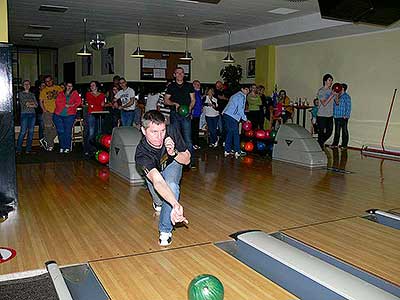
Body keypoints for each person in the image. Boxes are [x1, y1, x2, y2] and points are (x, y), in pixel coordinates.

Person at [135, 110, 190, 246]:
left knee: (171, 186)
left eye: (162, 131)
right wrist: (172, 202)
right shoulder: (142, 154)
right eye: (154, 132)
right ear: (143, 130)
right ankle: (158, 203)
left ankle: (165, 231)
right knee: (158, 191)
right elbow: (158, 181)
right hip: (154, 173)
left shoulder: (171, 131)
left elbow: (187, 160)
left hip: (172, 163)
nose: (160, 137)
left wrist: (173, 153)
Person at [164, 67, 195, 166]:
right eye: (178, 73)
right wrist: (174, 104)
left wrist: (189, 109)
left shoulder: (189, 86)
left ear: (184, 74)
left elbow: (193, 99)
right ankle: (176, 160)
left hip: (186, 114)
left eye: (181, 73)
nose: (180, 74)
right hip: (175, 114)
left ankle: (190, 161)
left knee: (188, 139)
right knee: (175, 138)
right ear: (174, 75)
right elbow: (166, 100)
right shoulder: (171, 86)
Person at [53, 82, 82, 153]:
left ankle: (67, 147)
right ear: (65, 86)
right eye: (68, 86)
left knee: (67, 132)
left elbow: (78, 101)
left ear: (72, 87)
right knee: (60, 131)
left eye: (71, 86)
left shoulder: (75, 93)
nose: (69, 87)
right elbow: (57, 102)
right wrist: (65, 105)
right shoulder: (60, 93)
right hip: (58, 115)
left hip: (70, 115)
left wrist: (72, 105)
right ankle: (62, 146)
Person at [222, 86, 249, 158]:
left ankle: (227, 150)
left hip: (226, 115)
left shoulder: (235, 95)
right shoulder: (241, 96)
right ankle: (237, 151)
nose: (247, 91)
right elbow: (240, 109)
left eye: (248, 89)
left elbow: (229, 105)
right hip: (232, 116)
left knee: (230, 133)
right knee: (236, 133)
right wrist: (245, 119)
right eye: (246, 89)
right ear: (242, 89)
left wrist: (223, 112)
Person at [39, 75, 63, 151]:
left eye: (49, 80)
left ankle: (45, 139)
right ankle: (50, 145)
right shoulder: (43, 90)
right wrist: (44, 110)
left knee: (58, 128)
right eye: (46, 81)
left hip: (58, 112)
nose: (48, 82)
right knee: (48, 128)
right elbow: (41, 101)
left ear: (52, 80)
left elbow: (63, 98)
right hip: (48, 112)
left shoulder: (58, 88)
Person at [84, 81, 106, 155]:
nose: (92, 87)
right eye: (90, 85)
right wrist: (98, 104)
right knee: (91, 132)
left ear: (97, 86)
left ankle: (97, 150)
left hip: (100, 114)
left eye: (93, 85)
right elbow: (91, 103)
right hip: (91, 114)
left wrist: (100, 104)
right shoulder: (88, 94)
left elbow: (102, 104)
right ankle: (88, 149)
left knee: (99, 132)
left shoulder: (102, 94)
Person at [16, 80, 37, 154]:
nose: (27, 85)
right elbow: (26, 103)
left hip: (33, 114)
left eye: (28, 84)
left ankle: (28, 150)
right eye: (25, 84)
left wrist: (30, 104)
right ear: (23, 85)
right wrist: (32, 103)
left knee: (31, 132)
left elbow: (36, 105)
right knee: (23, 132)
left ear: (30, 85)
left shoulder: (32, 94)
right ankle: (18, 149)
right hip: (24, 114)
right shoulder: (20, 93)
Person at [316, 73, 335, 149]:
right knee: (321, 133)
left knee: (329, 132)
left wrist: (336, 96)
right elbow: (324, 103)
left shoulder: (331, 91)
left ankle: (318, 143)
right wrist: (331, 95)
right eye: (329, 80)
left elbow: (336, 102)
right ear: (325, 81)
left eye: (331, 80)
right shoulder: (321, 91)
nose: (331, 82)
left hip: (330, 115)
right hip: (321, 115)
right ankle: (320, 146)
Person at [331, 83, 351, 149]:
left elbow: (348, 107)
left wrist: (347, 115)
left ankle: (344, 145)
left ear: (343, 88)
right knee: (337, 131)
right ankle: (335, 144)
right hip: (336, 116)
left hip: (343, 117)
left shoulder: (346, 97)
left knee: (344, 131)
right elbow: (336, 104)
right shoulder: (337, 96)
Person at [191, 80, 203, 150]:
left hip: (198, 114)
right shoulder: (193, 93)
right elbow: (191, 103)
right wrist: (191, 113)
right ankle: (193, 144)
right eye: (197, 84)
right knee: (193, 130)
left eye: (199, 84)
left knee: (196, 130)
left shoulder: (198, 93)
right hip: (193, 114)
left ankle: (196, 144)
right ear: (193, 85)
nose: (199, 86)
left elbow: (199, 103)